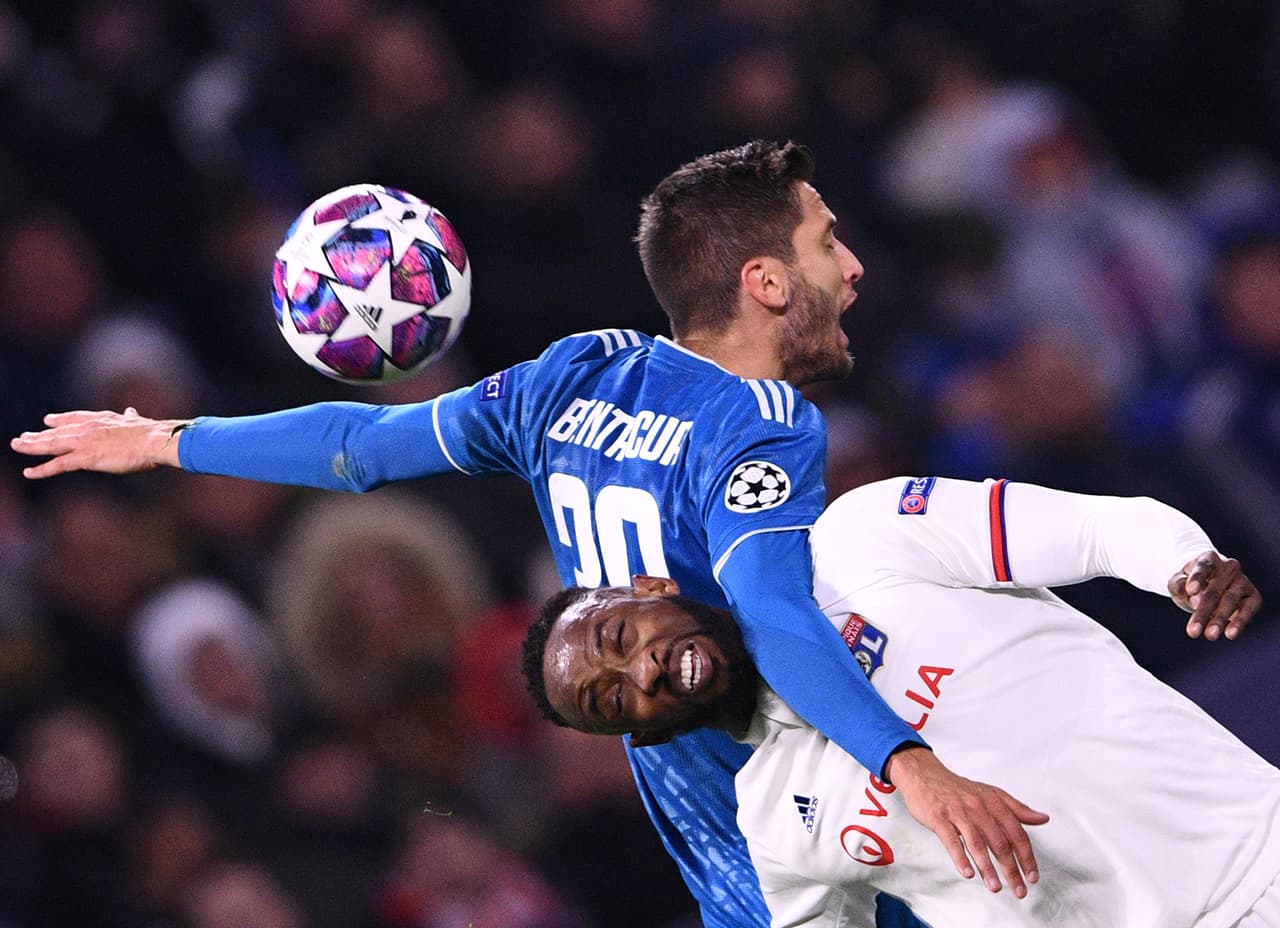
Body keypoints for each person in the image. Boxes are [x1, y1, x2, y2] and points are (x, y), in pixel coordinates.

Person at [12, 141, 1042, 925]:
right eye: (825, 246)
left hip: (713, 835)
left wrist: (169, 441)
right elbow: (771, 615)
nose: (852, 270)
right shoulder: (757, 424)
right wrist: (908, 764)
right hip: (825, 806)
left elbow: (359, 446)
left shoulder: (569, 378)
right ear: (760, 282)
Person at [524, 476, 1277, 927]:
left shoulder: (861, 541)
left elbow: (1099, 527)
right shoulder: (778, 828)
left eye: (620, 634)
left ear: (656, 589)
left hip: (1260, 857)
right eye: (612, 697)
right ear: (643, 738)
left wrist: (1183, 564)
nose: (642, 671)